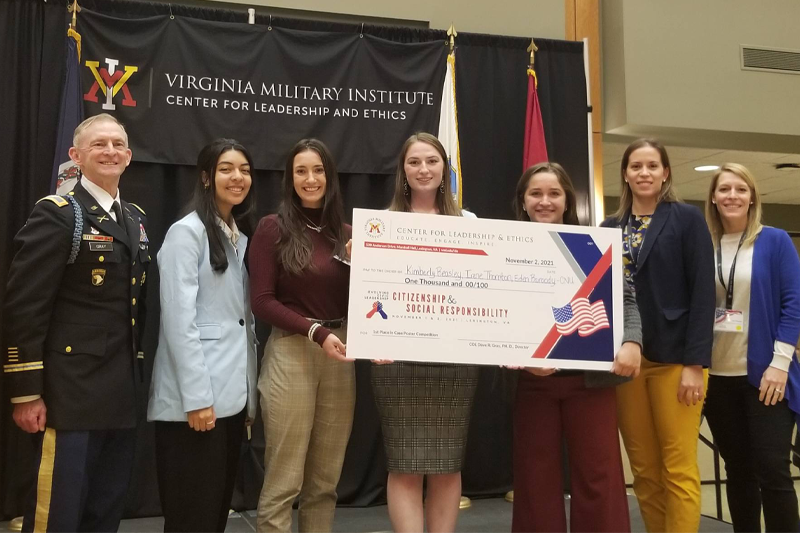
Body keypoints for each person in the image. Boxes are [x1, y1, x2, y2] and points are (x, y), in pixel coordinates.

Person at [2, 113, 149, 533]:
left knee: (104, 514)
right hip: (69, 396)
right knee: (57, 516)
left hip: (120, 393)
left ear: (129, 155)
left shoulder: (135, 219)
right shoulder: (60, 214)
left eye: (118, 144)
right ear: (76, 155)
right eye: (99, 144)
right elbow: (24, 306)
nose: (110, 151)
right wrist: (26, 391)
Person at [510, 162, 642, 533]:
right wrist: (522, 359)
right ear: (523, 200)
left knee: (599, 478)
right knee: (535, 482)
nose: (545, 201)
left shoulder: (594, 246)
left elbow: (626, 302)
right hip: (533, 384)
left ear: (568, 199)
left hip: (592, 382)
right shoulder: (505, 246)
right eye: (535, 193)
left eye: (554, 193)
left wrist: (632, 341)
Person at [601, 138, 715, 533]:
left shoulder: (686, 219)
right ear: (626, 174)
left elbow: (703, 294)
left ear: (666, 172)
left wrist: (695, 364)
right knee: (644, 468)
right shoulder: (609, 228)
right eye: (636, 166)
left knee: (678, 465)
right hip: (625, 359)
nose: (644, 173)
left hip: (676, 360)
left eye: (652, 166)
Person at [147, 139, 258, 533]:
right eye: (227, 168)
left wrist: (248, 395)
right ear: (207, 177)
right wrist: (196, 399)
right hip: (195, 403)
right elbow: (179, 322)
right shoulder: (186, 232)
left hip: (229, 400)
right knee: (191, 515)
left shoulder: (237, 235)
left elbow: (240, 323)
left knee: (213, 513)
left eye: (244, 169)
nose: (238, 177)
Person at [371, 132, 479, 533]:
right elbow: (372, 296)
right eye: (414, 162)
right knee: (405, 465)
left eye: (432, 161)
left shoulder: (468, 223)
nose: (423, 169)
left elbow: (484, 288)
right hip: (396, 362)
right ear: (403, 170)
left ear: (444, 168)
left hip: (454, 363)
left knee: (448, 465)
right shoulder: (382, 223)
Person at [249, 138, 354, 533]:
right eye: (301, 171)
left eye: (318, 170)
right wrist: (314, 331)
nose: (311, 179)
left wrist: (365, 269)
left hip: (340, 355)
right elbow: (261, 301)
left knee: (325, 484)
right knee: (284, 482)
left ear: (330, 176)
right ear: (289, 178)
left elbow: (366, 301)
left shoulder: (347, 234)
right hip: (293, 352)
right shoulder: (272, 228)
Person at [702, 163, 800, 533]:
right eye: (724, 189)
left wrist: (780, 363)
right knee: (737, 469)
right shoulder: (703, 243)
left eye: (740, 189)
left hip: (765, 375)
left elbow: (794, 304)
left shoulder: (773, 240)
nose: (732, 196)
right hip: (717, 377)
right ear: (713, 197)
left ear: (752, 196)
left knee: (772, 469)